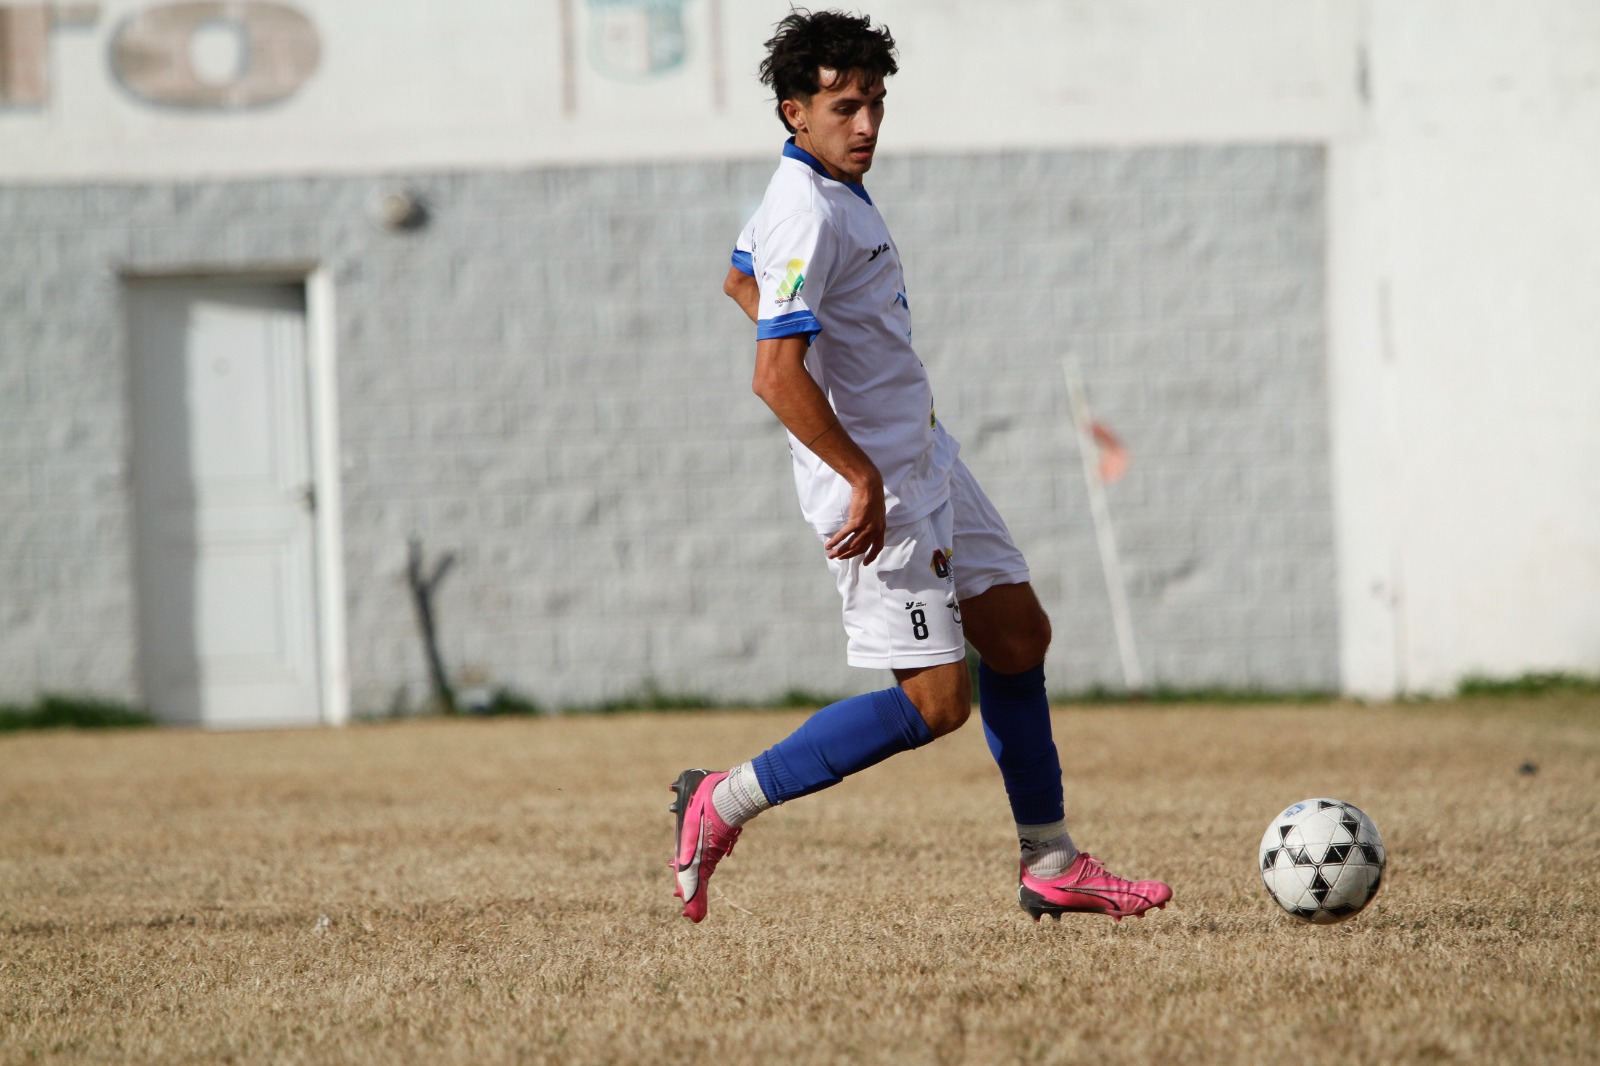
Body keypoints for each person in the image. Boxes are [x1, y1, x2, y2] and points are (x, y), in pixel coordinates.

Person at [672, 9, 1171, 925]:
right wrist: (858, 473)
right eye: (844, 107)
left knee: (1019, 637)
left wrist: (855, 392)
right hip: (878, 489)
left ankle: (1051, 862)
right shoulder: (807, 211)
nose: (865, 125)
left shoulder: (826, 189)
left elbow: (742, 280)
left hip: (927, 458)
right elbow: (774, 375)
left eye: (876, 104)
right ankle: (722, 799)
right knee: (938, 703)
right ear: (794, 113)